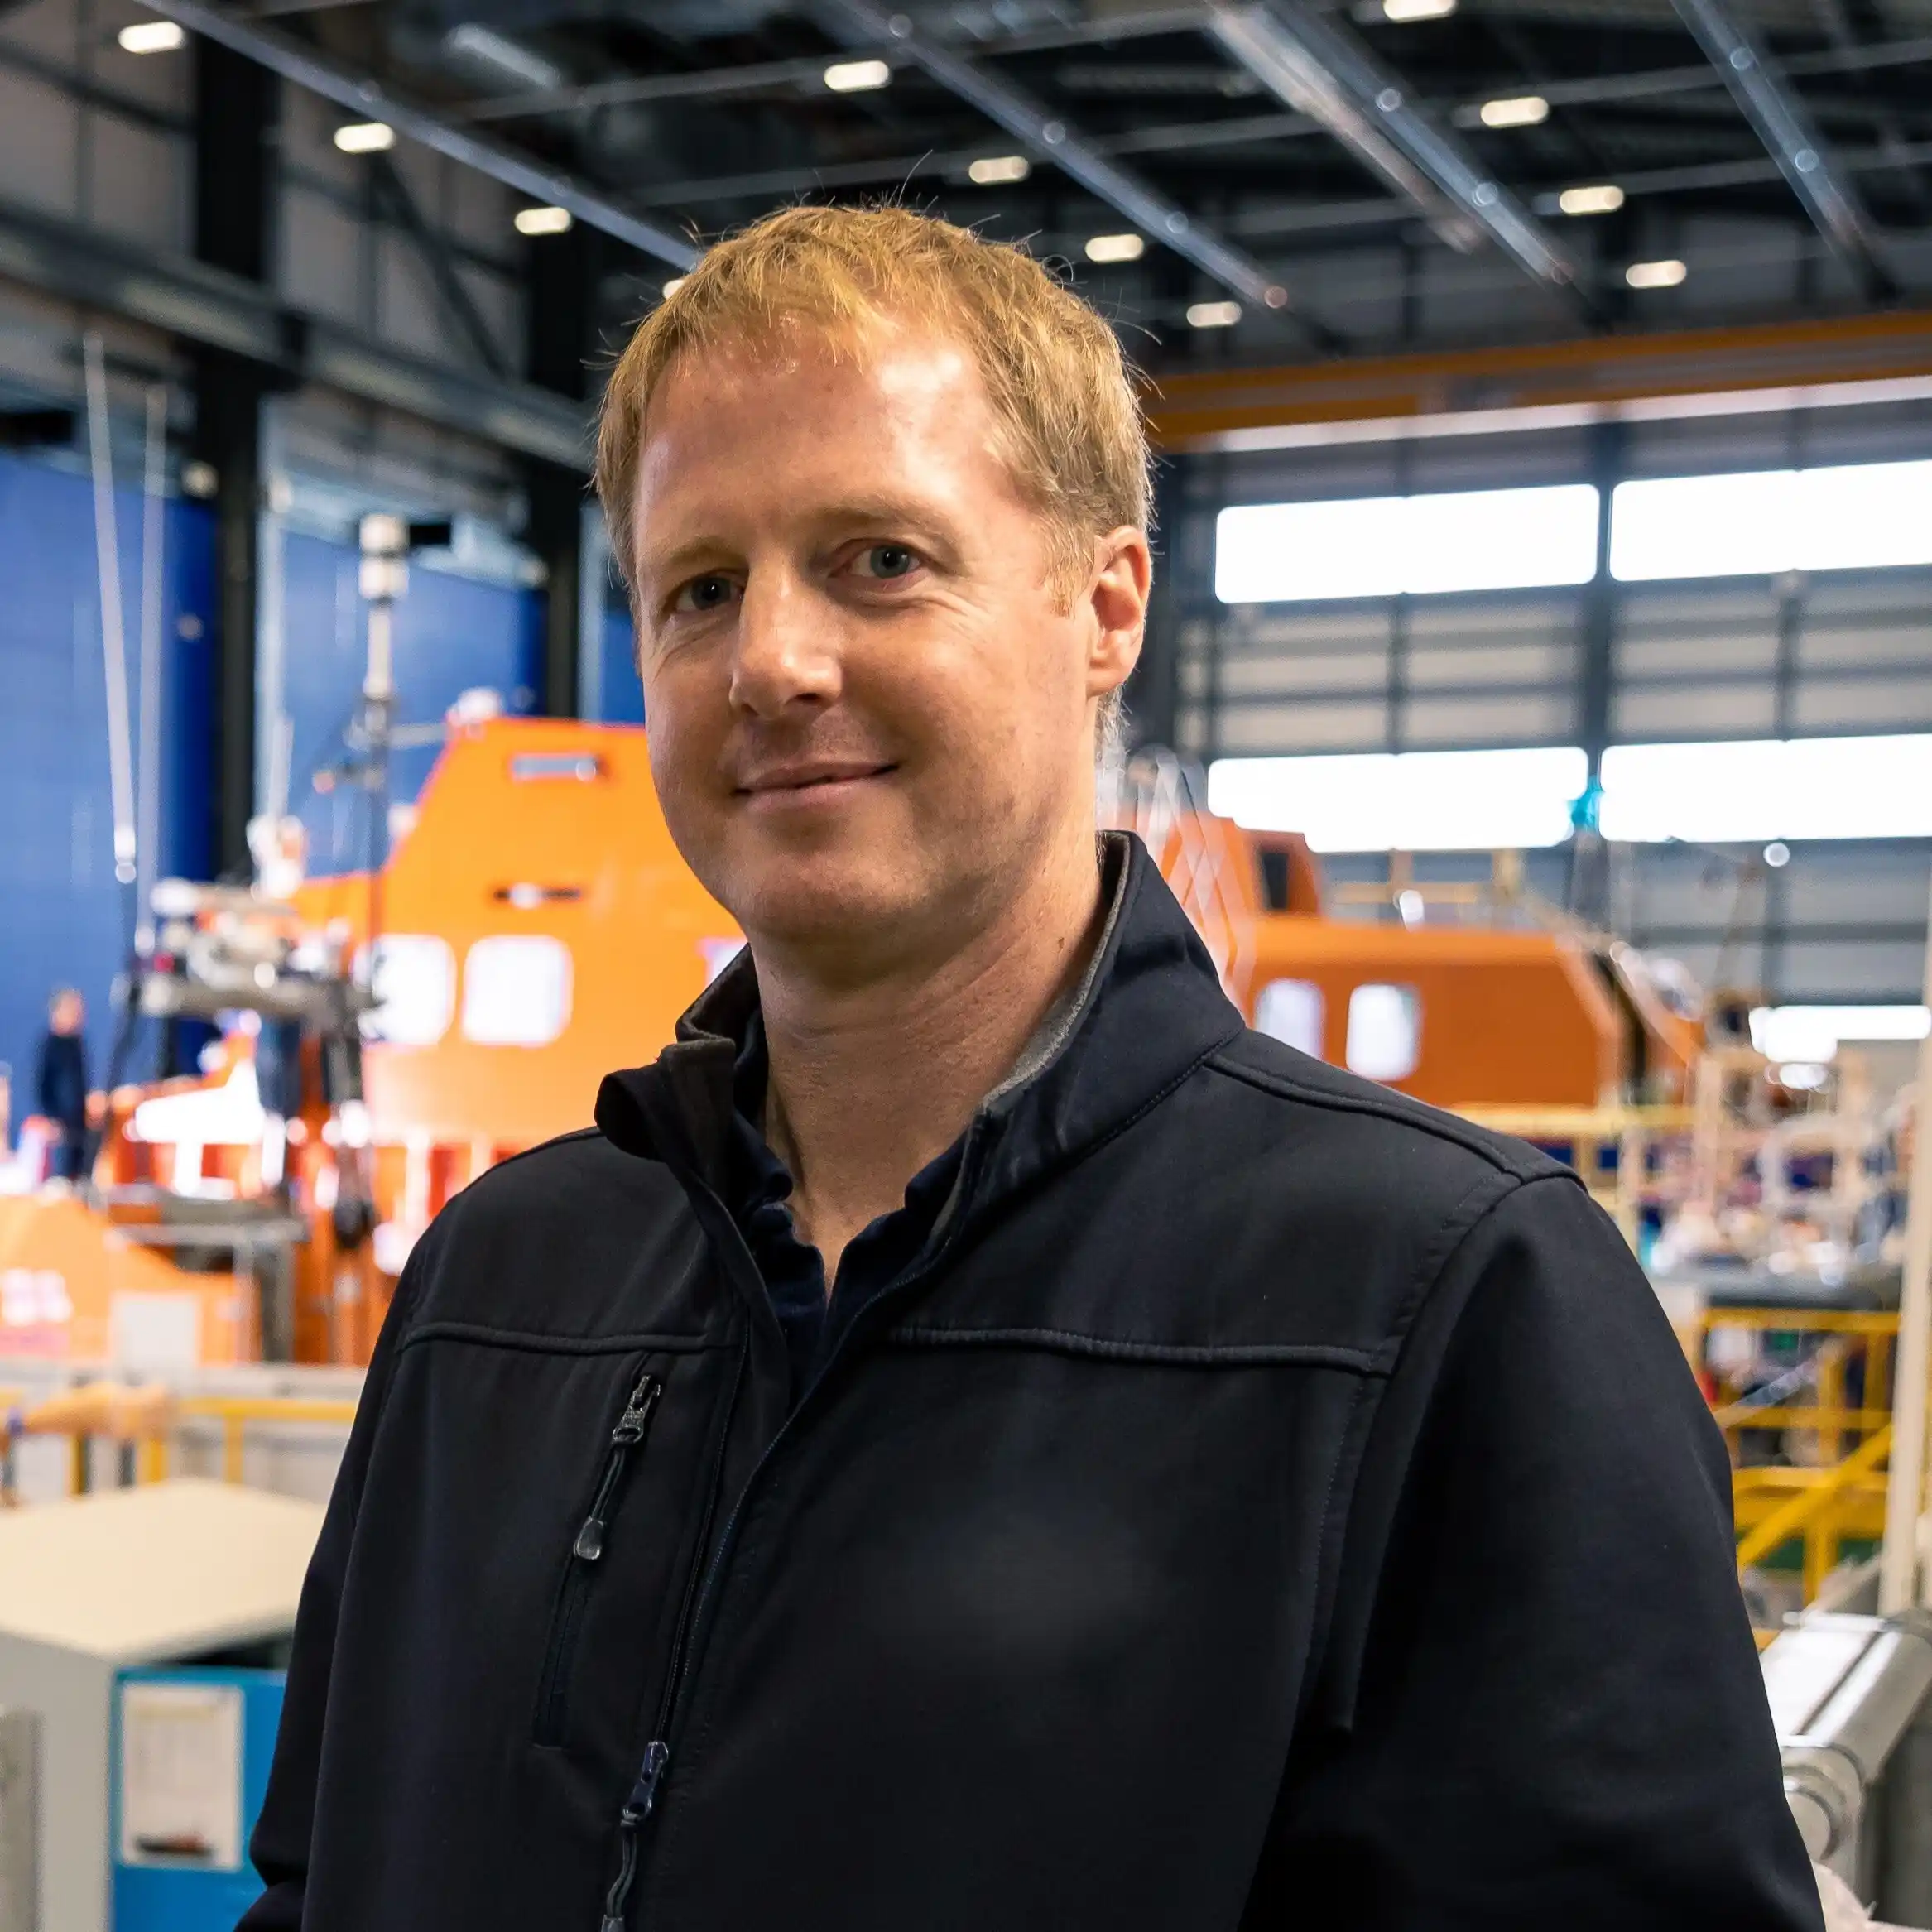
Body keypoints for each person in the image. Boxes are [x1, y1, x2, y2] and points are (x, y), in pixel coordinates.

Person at [241, 206, 1822, 1931]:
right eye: (699, 588)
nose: (771, 661)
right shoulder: (498, 1287)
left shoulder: (1440, 1304)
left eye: (879, 559)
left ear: (1104, 605)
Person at [33, 988, 93, 1183]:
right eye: (72, 1010)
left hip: (78, 1125)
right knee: (60, 1177)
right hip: (57, 1126)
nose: (79, 1016)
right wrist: (50, 1118)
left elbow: (81, 1084)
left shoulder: (77, 1044)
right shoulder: (50, 1047)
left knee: (79, 1174)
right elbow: (43, 1086)